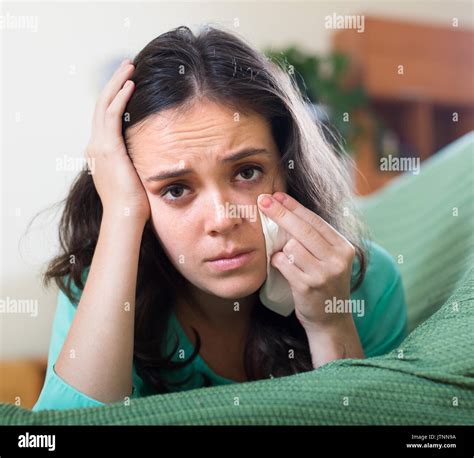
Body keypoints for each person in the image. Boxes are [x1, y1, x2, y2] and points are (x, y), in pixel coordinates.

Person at [32, 25, 407, 411]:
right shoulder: (106, 283)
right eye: (175, 189)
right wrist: (121, 213)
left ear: (287, 166)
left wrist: (330, 326)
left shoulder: (365, 281)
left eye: (246, 172)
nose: (222, 220)